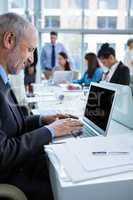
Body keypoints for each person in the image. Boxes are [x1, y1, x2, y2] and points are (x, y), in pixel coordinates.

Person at [0, 13, 83, 200]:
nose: (31, 59)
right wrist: (50, 131)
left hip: (22, 165)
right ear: (9, 40)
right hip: (14, 176)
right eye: (30, 49)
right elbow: (2, 153)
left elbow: (14, 125)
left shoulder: (4, 79)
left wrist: (43, 120)